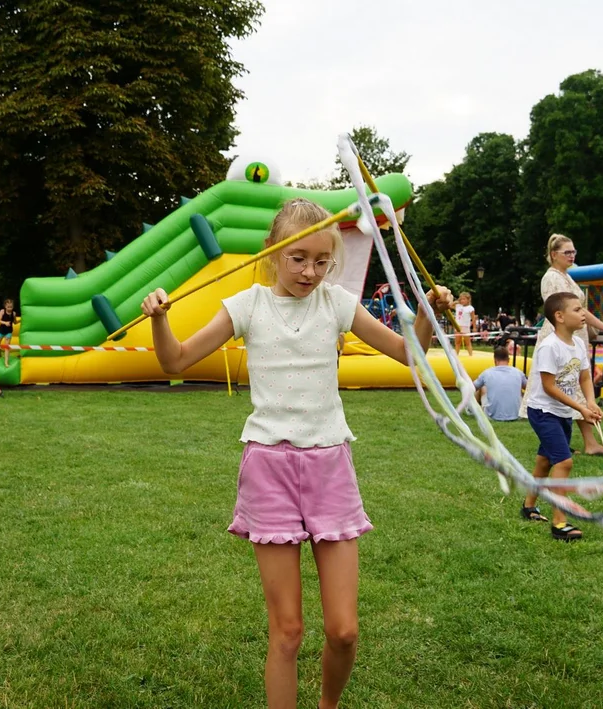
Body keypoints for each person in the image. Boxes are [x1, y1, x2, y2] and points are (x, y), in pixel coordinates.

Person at [140, 198, 452, 709]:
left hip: (330, 466)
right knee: (287, 632)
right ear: (271, 252)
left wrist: (424, 316)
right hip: (269, 468)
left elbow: (408, 356)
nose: (309, 271)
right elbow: (174, 358)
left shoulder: (337, 304)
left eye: (321, 261)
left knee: (345, 630)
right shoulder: (247, 306)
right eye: (297, 258)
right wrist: (159, 318)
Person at [520, 234, 603, 456]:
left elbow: (579, 311)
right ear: (553, 255)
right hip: (559, 338)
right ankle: (564, 438)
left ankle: (586, 441)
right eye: (567, 252)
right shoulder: (552, 278)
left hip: (572, 337)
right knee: (559, 386)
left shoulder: (567, 277)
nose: (572, 255)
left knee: (573, 384)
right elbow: (567, 311)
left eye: (574, 251)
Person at [519, 292, 602, 541]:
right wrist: (581, 409)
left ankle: (528, 506)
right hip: (544, 412)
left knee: (545, 461)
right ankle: (559, 522)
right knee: (564, 462)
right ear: (560, 316)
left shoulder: (577, 344)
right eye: (577, 309)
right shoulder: (549, 346)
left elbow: (585, 377)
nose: (583, 313)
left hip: (562, 412)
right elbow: (549, 387)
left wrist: (590, 401)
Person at [474, 347, 528, 422]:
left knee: (482, 387)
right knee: (521, 392)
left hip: (492, 416)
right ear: (508, 360)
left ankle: (472, 409)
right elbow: (529, 389)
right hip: (517, 415)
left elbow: (472, 388)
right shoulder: (518, 372)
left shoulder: (487, 373)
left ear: (495, 360)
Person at [454, 291, 475, 356]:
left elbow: (473, 318)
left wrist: (474, 327)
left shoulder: (470, 308)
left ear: (468, 300)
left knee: (467, 342)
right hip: (458, 326)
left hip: (465, 326)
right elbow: (450, 305)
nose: (462, 301)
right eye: (461, 299)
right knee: (457, 342)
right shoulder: (458, 306)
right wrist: (457, 301)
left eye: (464, 299)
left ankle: (470, 355)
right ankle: (456, 355)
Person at [0, 297, 17, 367]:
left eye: (11, 307)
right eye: (8, 307)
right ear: (5, 306)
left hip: (8, 332)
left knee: (7, 347)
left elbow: (14, 322)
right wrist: (5, 323)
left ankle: (6, 362)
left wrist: (20, 320)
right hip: (1, 331)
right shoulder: (2, 311)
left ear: (13, 307)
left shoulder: (14, 313)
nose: (9, 308)